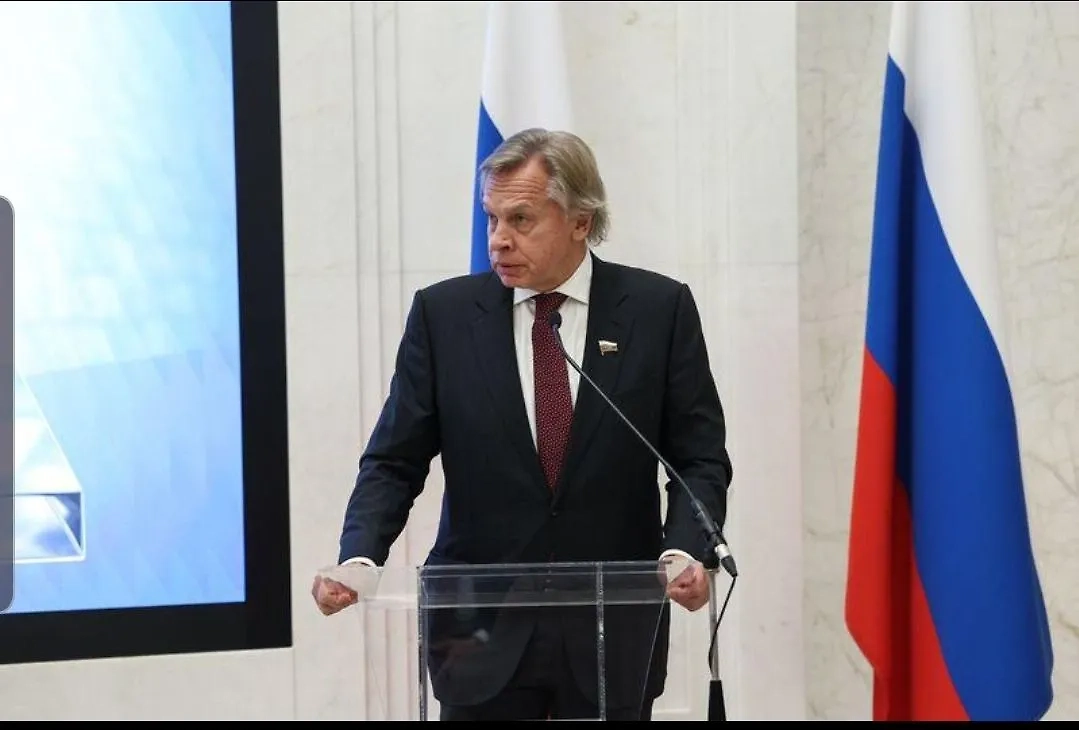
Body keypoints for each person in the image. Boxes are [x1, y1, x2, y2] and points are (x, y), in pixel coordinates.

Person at [312, 128, 733, 721]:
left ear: (581, 221)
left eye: (521, 220)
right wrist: (359, 557)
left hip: (612, 632)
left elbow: (698, 458)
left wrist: (685, 548)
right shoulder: (443, 316)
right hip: (479, 634)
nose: (498, 240)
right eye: (491, 219)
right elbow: (394, 460)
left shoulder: (658, 311)